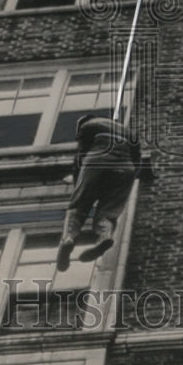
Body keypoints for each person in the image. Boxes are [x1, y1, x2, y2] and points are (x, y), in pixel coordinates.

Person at [56, 114, 151, 272]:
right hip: (126, 167)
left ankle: (68, 238)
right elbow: (137, 159)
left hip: (97, 159)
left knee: (79, 206)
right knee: (108, 211)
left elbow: (80, 157)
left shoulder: (87, 127)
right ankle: (105, 236)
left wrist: (77, 181)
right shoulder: (129, 133)